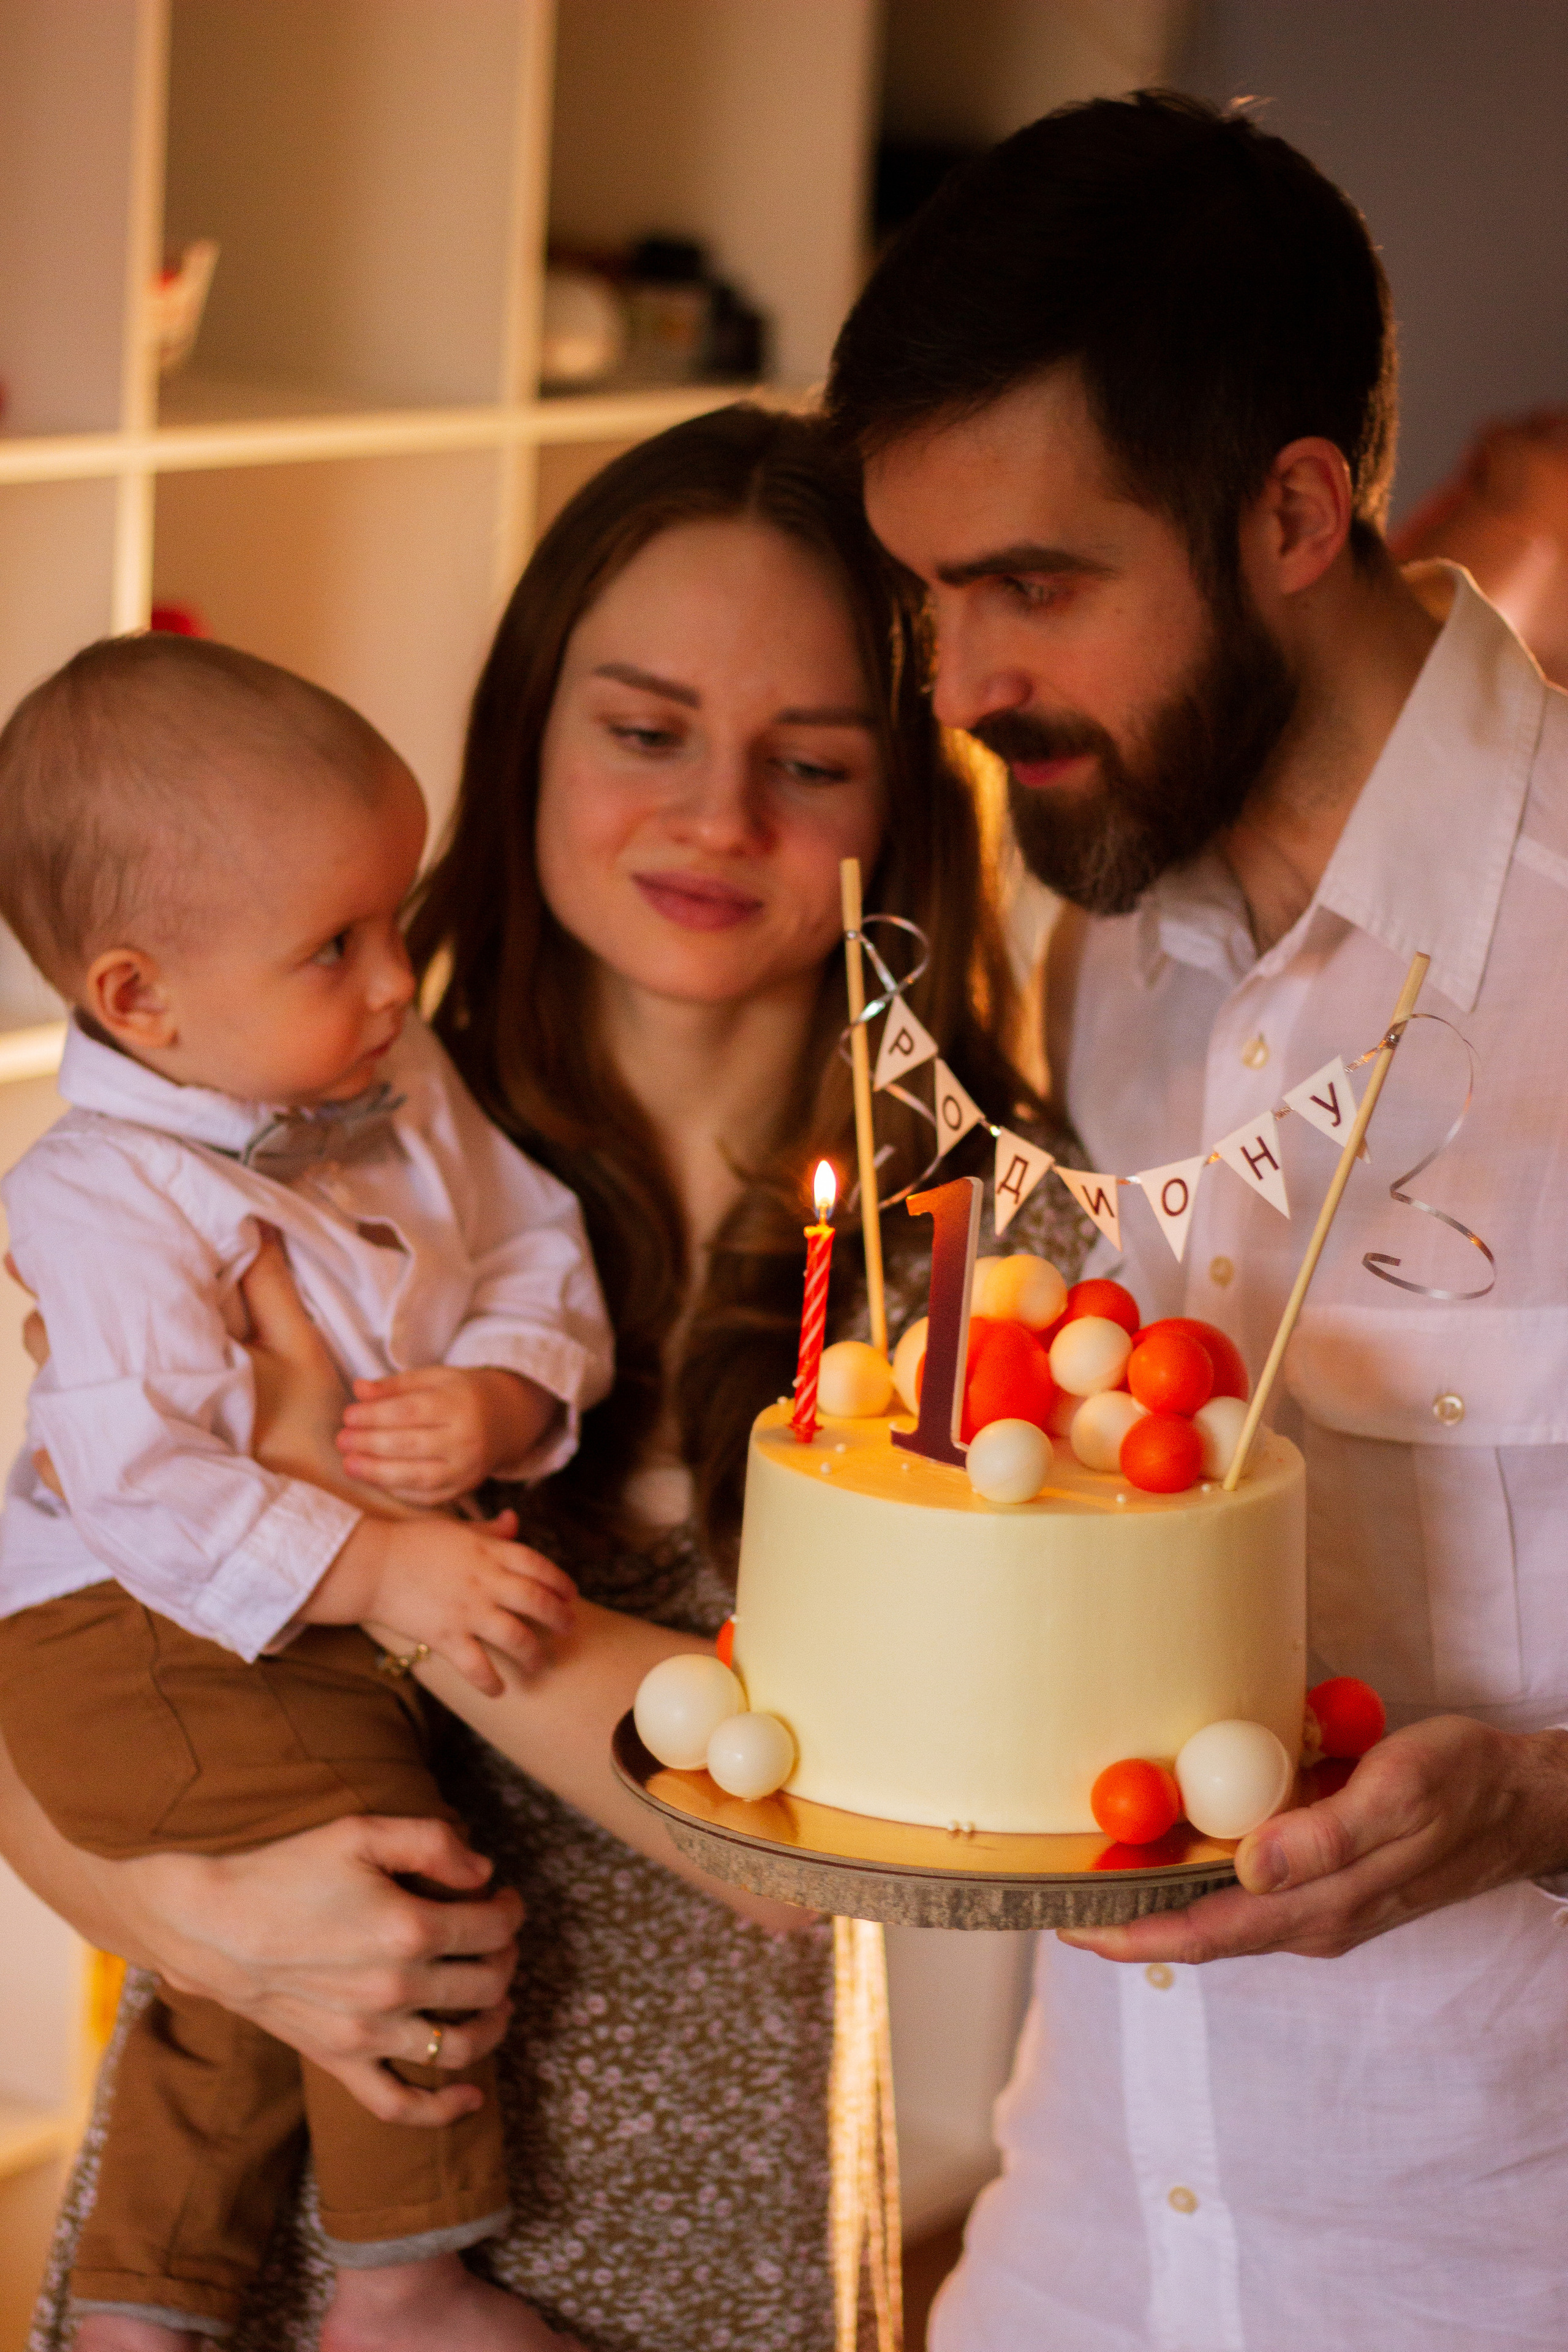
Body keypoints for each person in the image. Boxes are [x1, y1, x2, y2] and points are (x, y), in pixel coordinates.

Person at [6, 406, 1089, 2351]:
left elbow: (815, 1843)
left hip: (711, 2193)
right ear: (526, 735)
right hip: (310, 2184)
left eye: (813, 759)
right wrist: (179, 1918)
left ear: (906, 797)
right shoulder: (316, 1132)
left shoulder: (973, 1245)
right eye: (645, 729)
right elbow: (57, 1615)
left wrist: (384, 1553)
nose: (716, 817)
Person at [827, 90, 1568, 2352]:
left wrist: (1535, 1800)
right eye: (930, 595)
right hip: (1081, 2234)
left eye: (1034, 586)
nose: (958, 691)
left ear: (1292, 511)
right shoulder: (1101, 953)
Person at [0, 635, 611, 2352]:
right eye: (333, 946)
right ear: (139, 1002)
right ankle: (406, 2285)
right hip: (124, 1627)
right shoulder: (99, 1193)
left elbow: (535, 1247)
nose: (397, 979)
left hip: (270, 1610)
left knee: (240, 2005)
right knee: (393, 1884)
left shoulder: (391, 1079)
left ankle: (142, 2304)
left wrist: (497, 1393)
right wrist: (392, 1568)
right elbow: (138, 1482)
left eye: (394, 921)